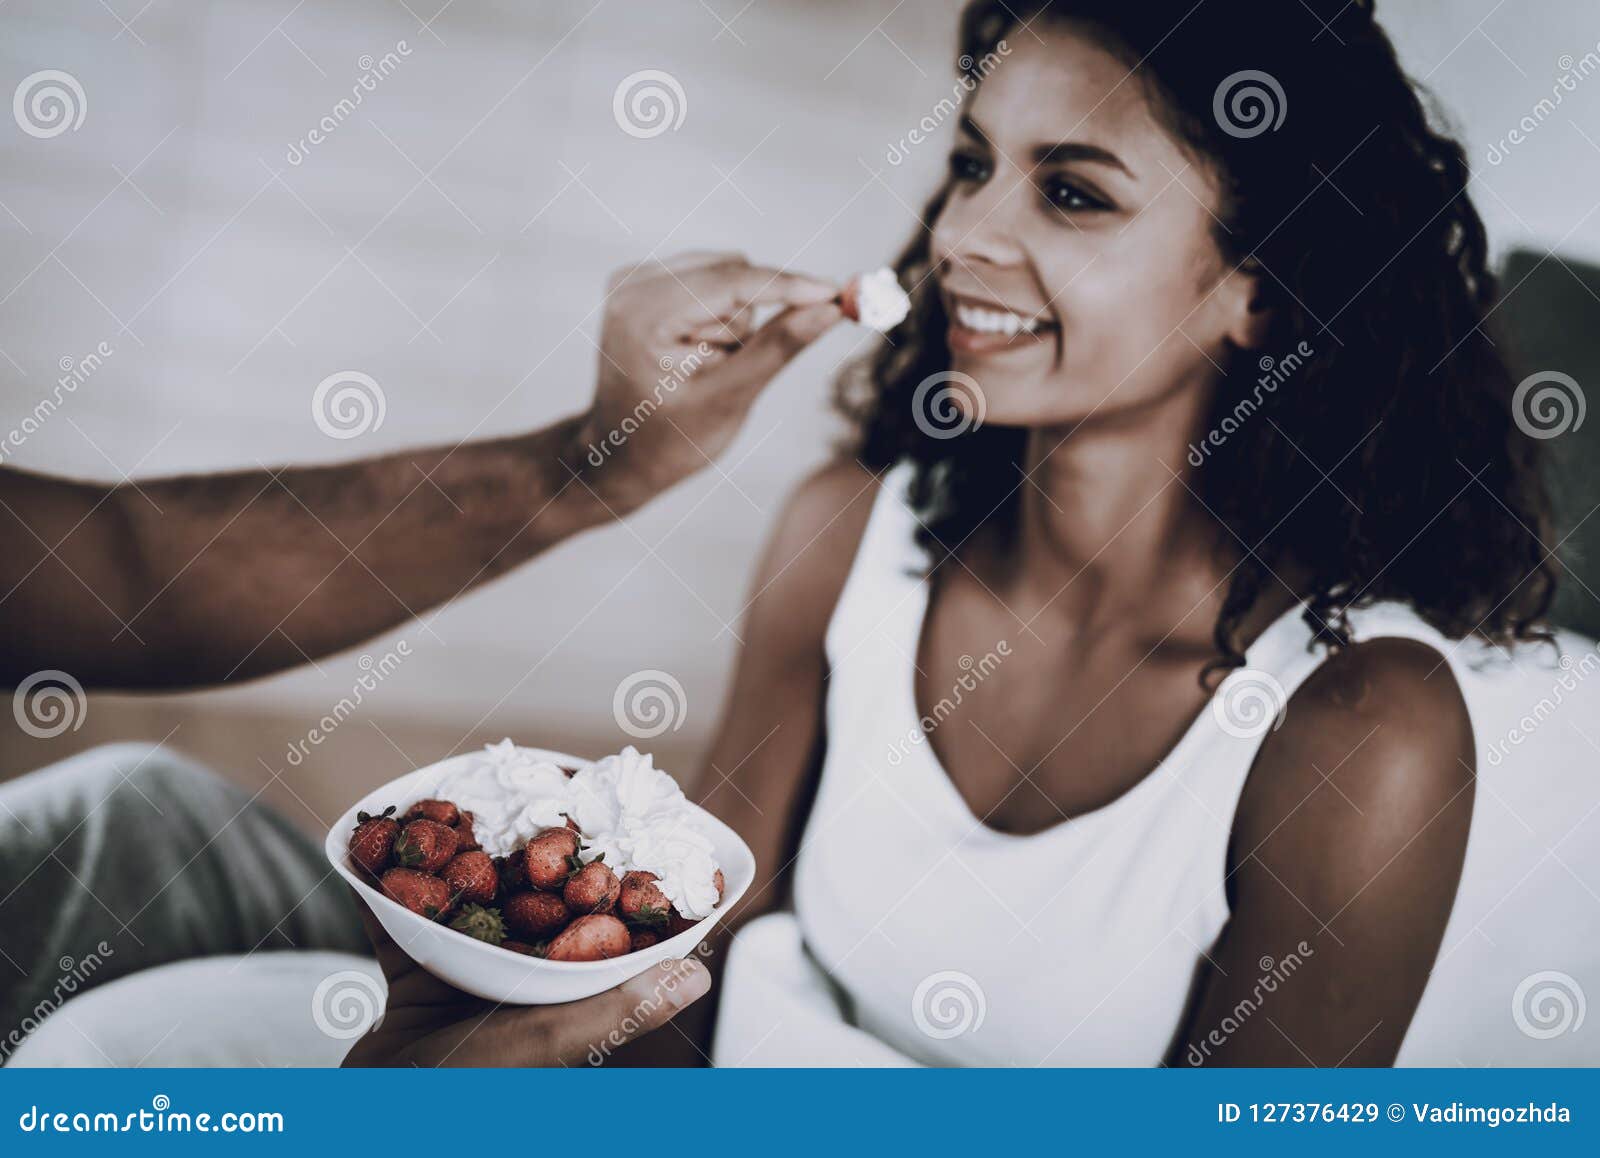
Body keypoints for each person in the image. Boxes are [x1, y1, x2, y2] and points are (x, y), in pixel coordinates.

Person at [0, 256, 843, 1065]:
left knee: (136, 807)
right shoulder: (834, 524)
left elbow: (125, 564)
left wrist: (593, 463)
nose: (963, 237)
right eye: (965, 168)